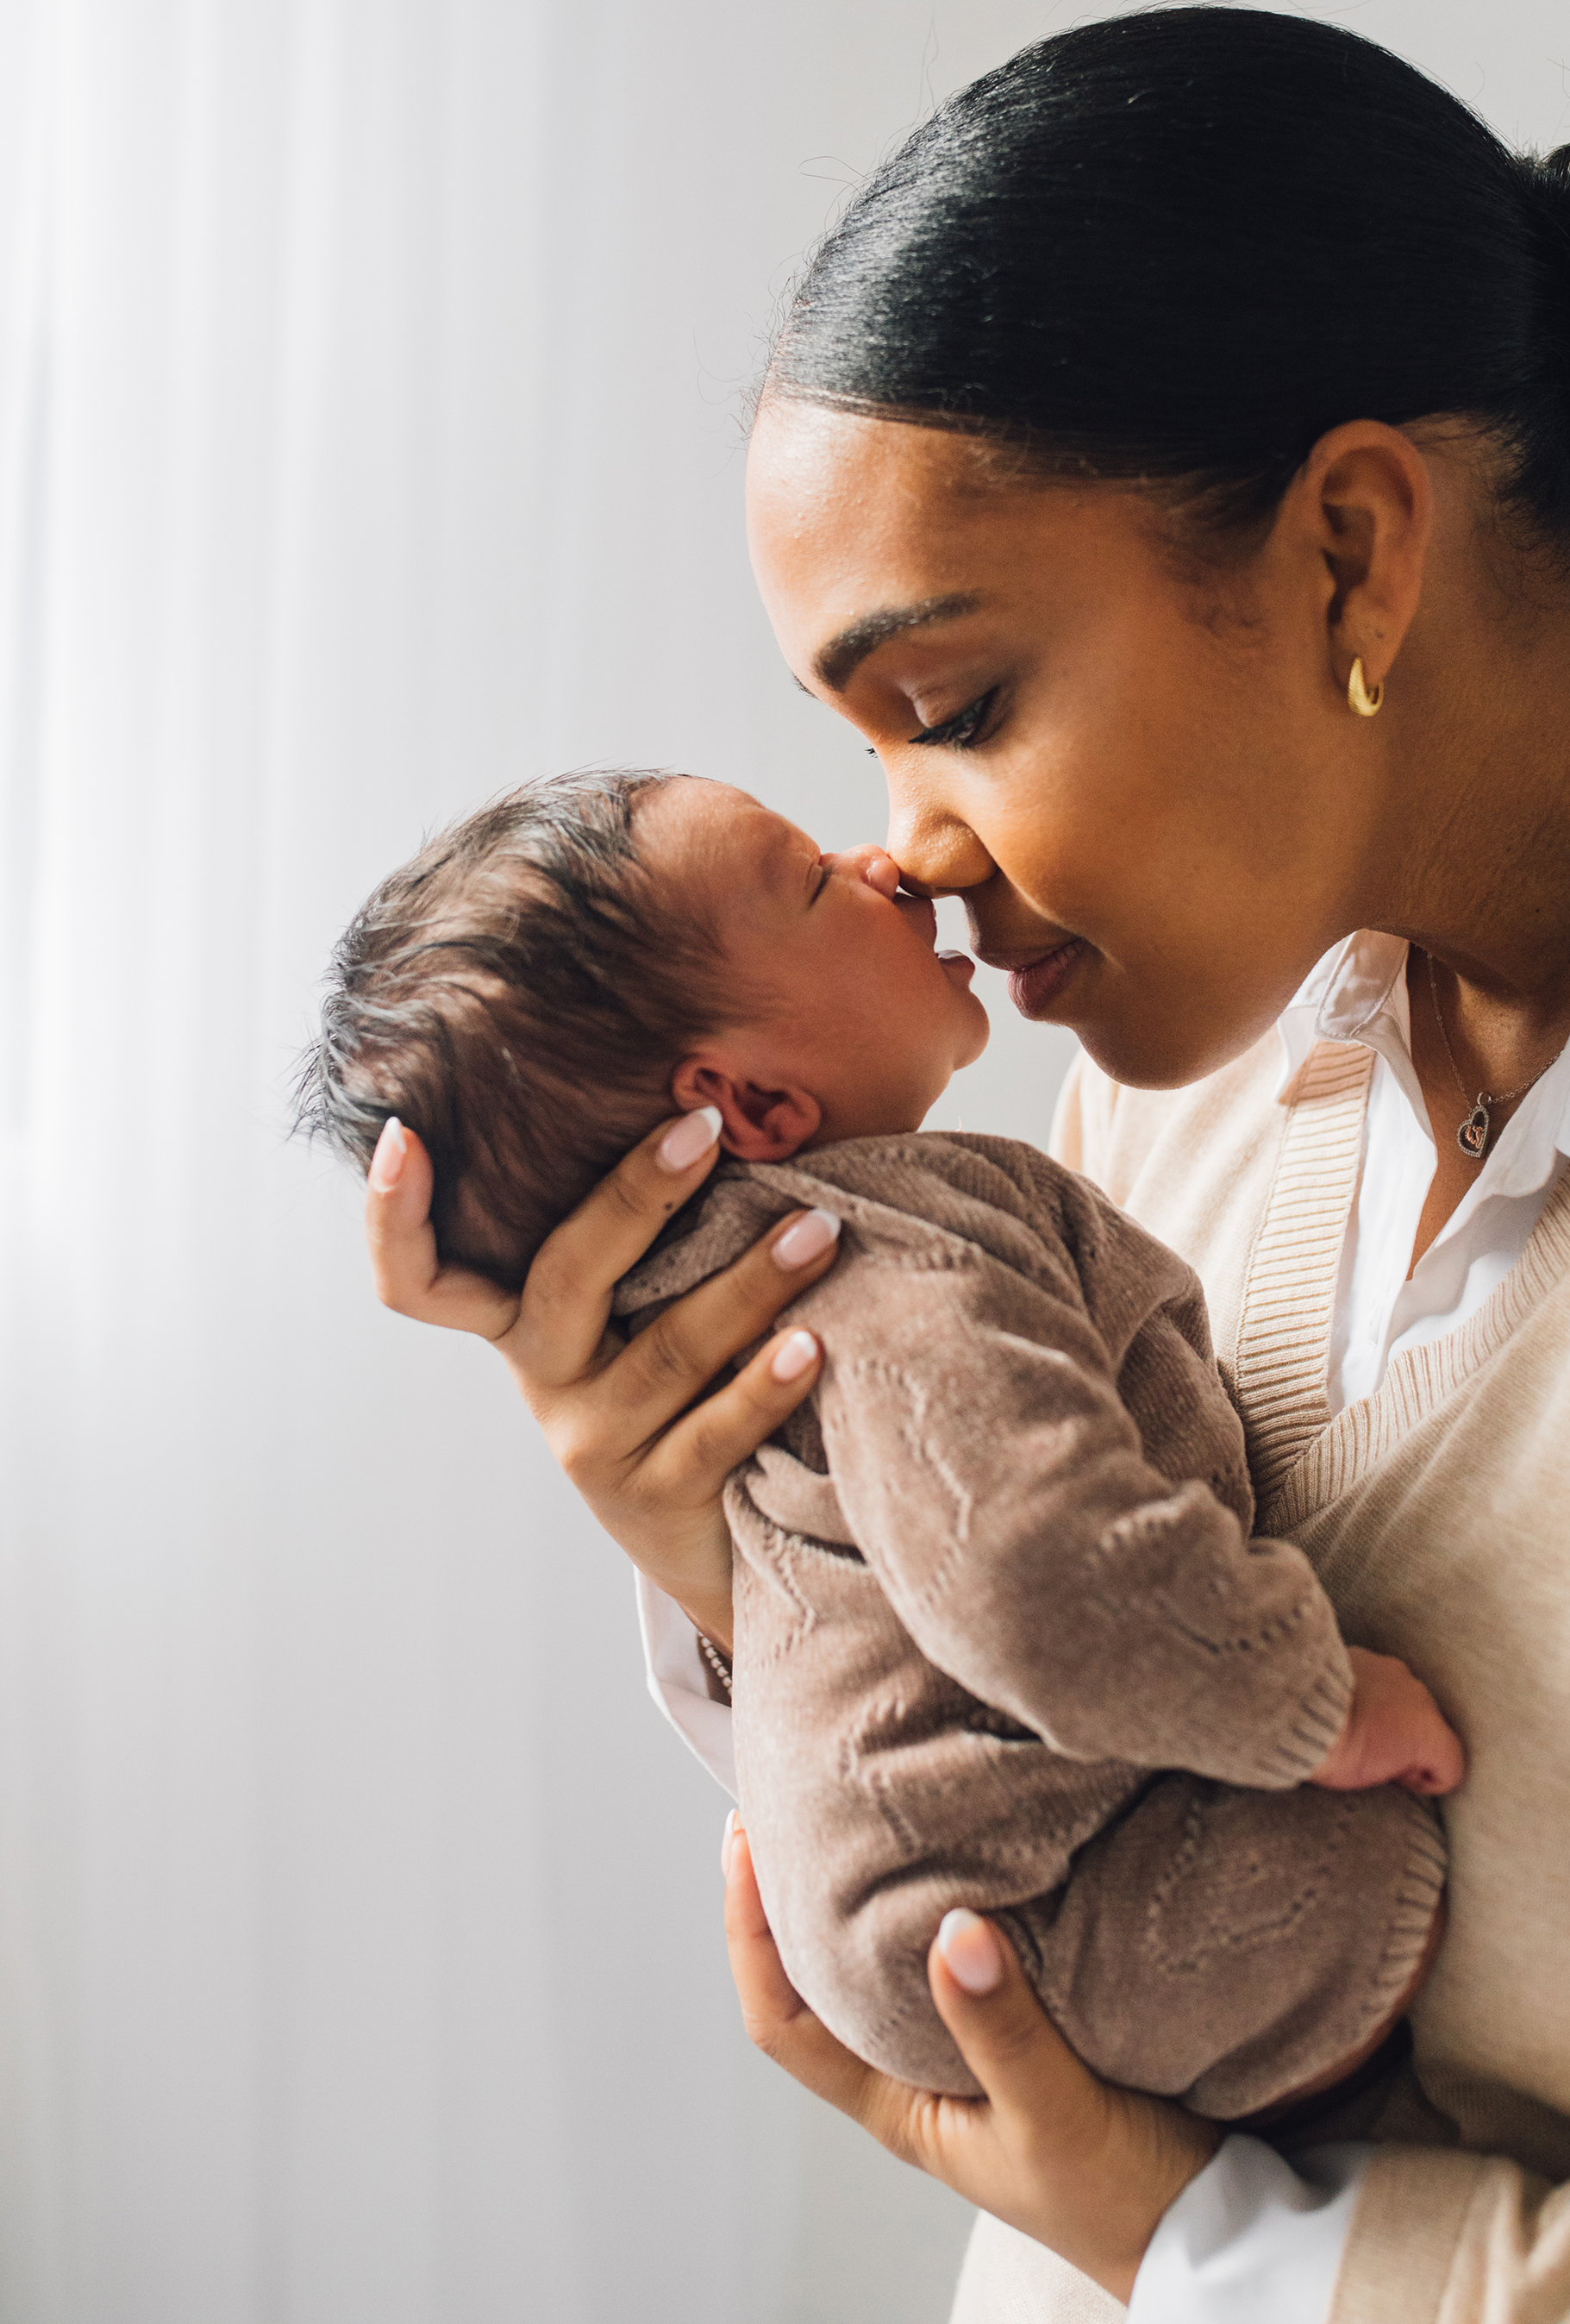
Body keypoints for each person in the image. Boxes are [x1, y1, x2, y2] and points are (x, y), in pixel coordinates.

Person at [364, 7, 1570, 2321]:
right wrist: (735, 1533)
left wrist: (1214, 2244)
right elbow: (1067, 1745)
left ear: (1345, 547)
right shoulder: (1191, 1048)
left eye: (954, 708)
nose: (905, 858)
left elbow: (1162, 2185)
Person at [302, 763, 1461, 2121]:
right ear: (753, 1110)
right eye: (810, 879)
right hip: (1013, 1893)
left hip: (925, 1897)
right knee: (1367, 1882)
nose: (889, 858)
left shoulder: (744, 1298)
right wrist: (1310, 1699)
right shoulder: (879, 1268)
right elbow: (1035, 1561)